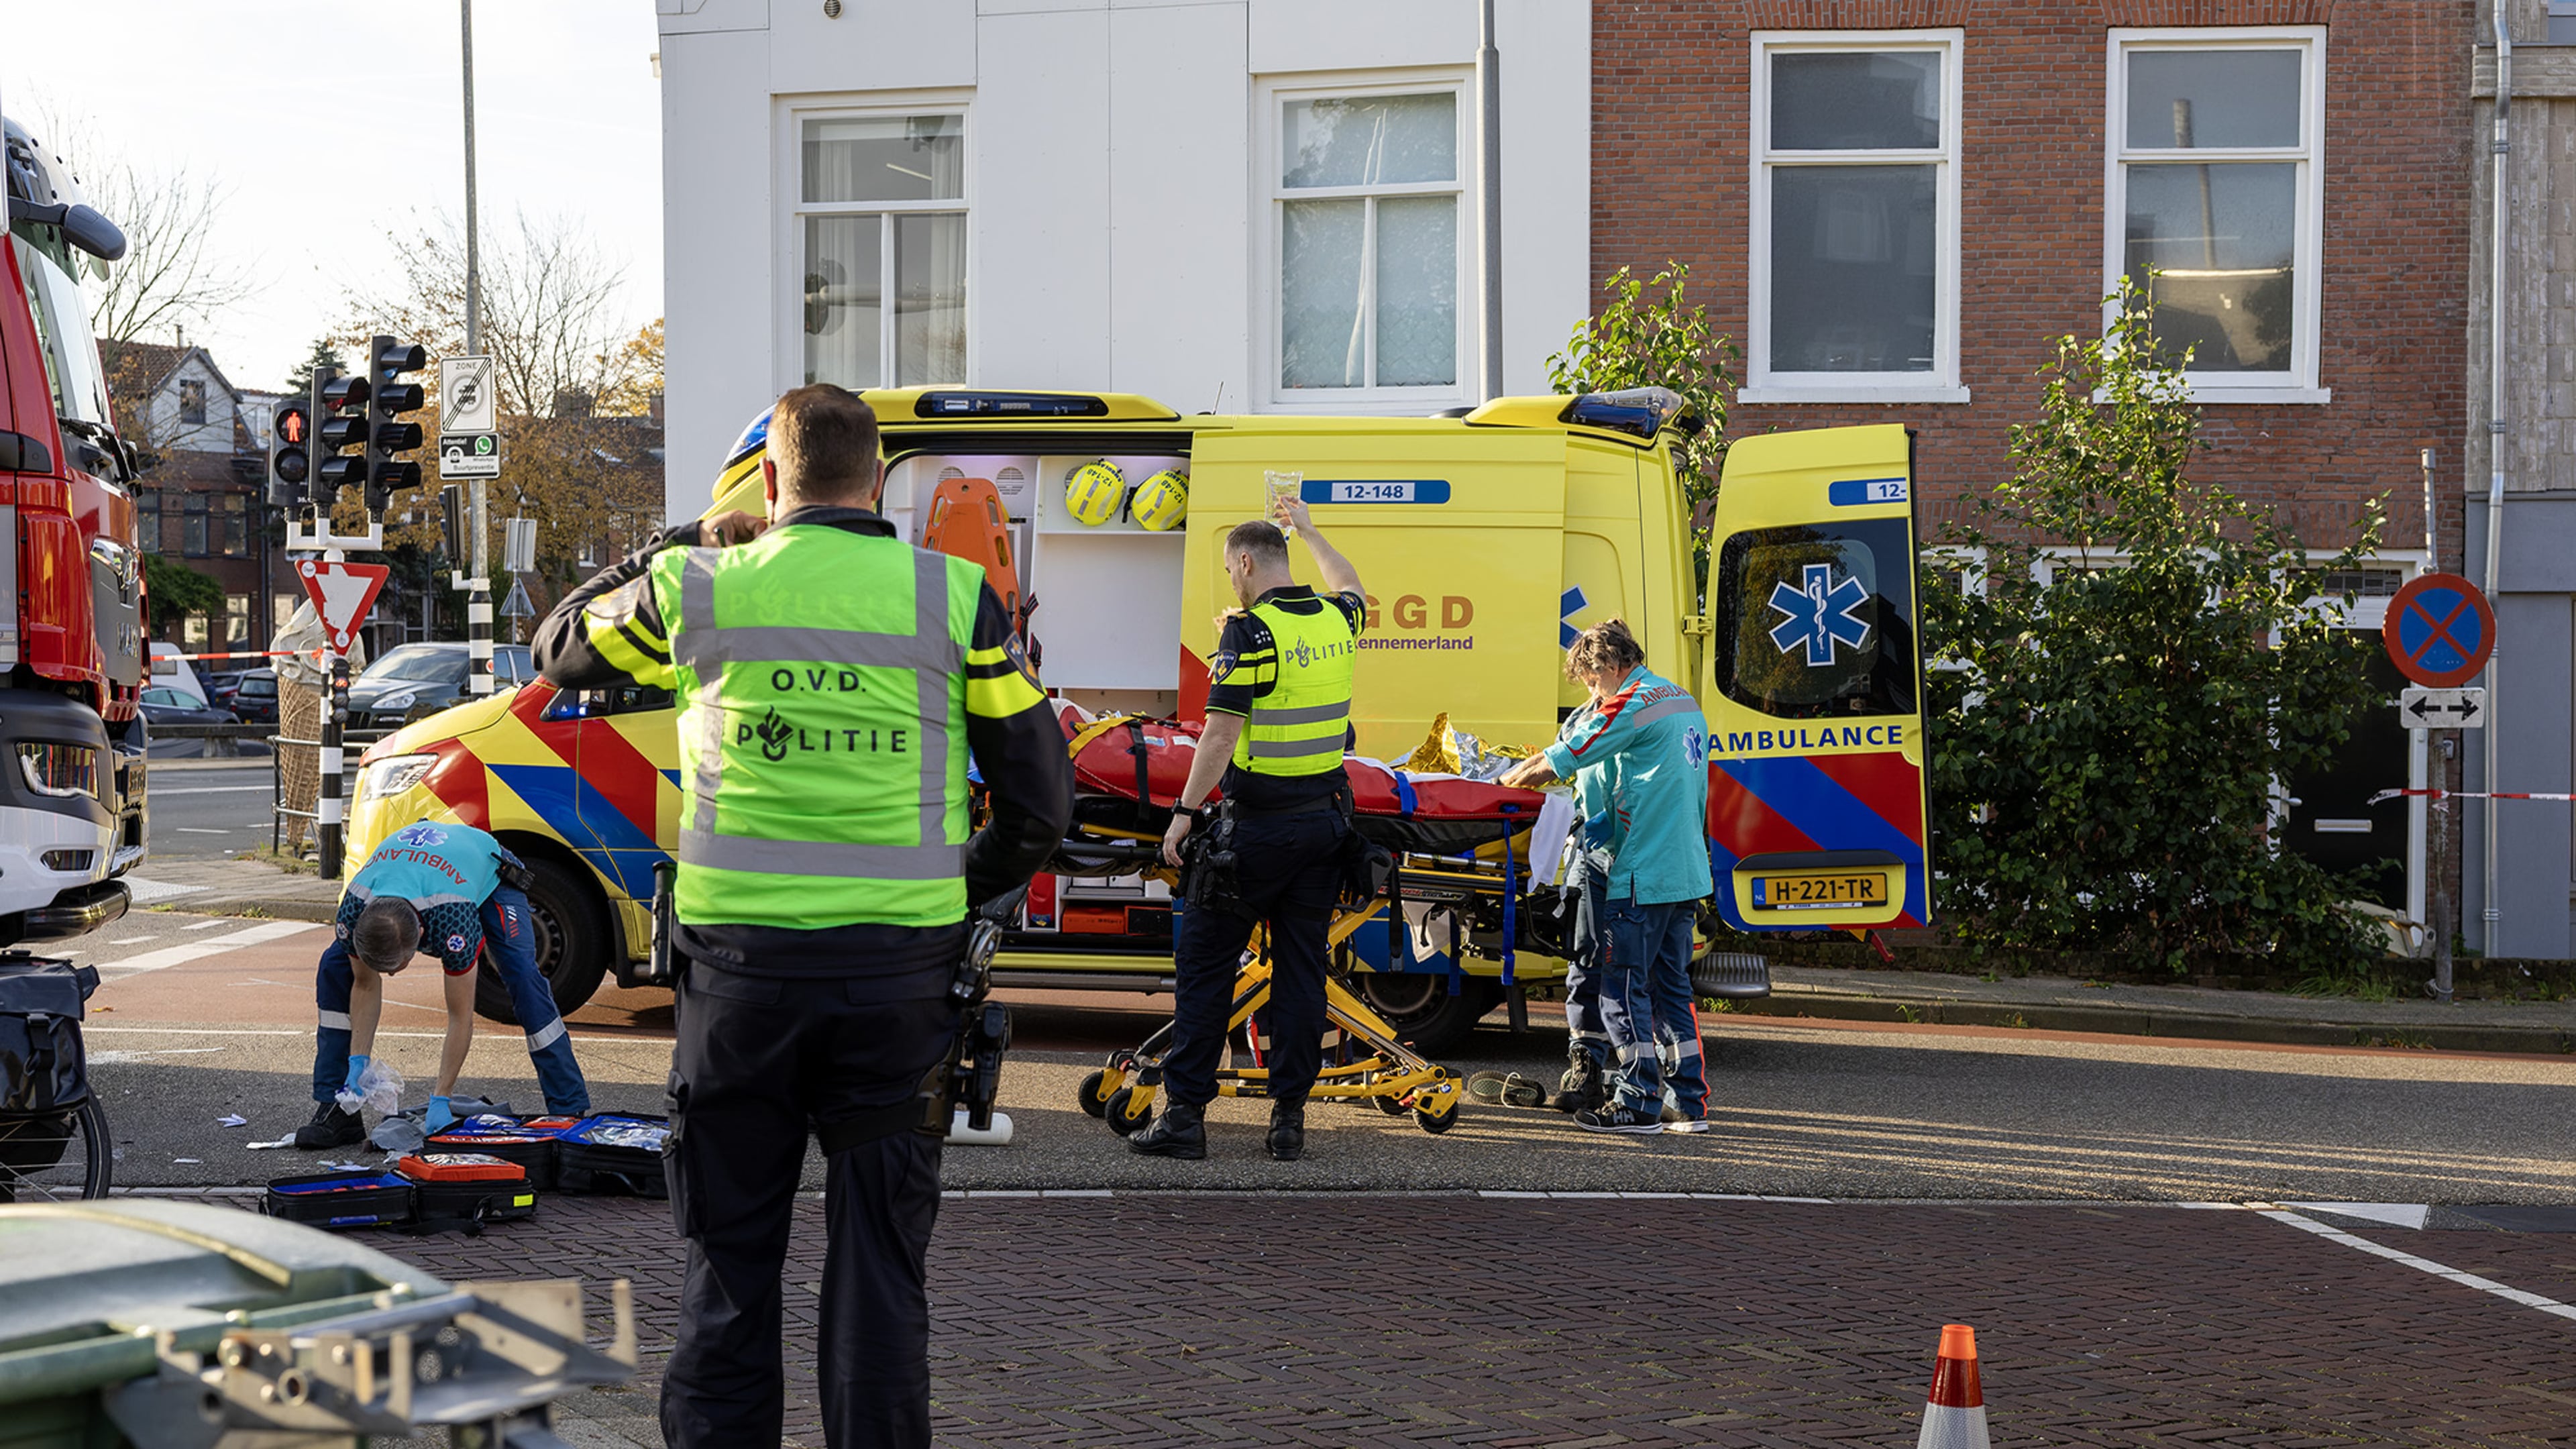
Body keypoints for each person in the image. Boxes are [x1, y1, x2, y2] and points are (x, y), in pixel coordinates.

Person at [535, 386, 1072, 1449]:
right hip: (898, 993)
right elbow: (1043, 802)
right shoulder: (954, 598)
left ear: (770, 483)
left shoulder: (698, 587)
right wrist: (953, 889)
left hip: (740, 992)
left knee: (729, 1267)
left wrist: (679, 537)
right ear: (878, 482)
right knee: (879, 1269)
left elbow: (556, 650)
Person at [1135, 498, 1364, 1163]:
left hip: (1254, 837)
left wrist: (1182, 813)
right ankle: (1288, 1120)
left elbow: (1220, 734)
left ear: (1243, 563)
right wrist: (1314, 532)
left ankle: (1184, 1120)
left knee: (1205, 969)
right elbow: (1351, 584)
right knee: (1301, 974)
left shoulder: (1251, 634)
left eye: (1232, 571)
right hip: (1325, 829)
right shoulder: (1336, 617)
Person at [1500, 620, 1713, 1134]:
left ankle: (1637, 1103)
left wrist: (1498, 787)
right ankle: (1687, 1102)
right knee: (1670, 989)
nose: (1593, 695)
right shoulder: (1679, 698)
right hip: (1683, 869)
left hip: (1639, 871)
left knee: (1620, 989)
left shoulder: (1630, 701)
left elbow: (1561, 760)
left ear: (1607, 667)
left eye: (1593, 683)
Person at [292, 818, 590, 1149]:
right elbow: (365, 984)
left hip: (489, 872)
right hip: (419, 867)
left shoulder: (453, 918)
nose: (390, 976)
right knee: (334, 967)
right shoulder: (354, 908)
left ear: (422, 937)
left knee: (522, 975)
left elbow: (460, 1015)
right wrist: (357, 1062)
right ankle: (338, 1111)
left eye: (395, 967)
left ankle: (567, 1107)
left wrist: (441, 1099)